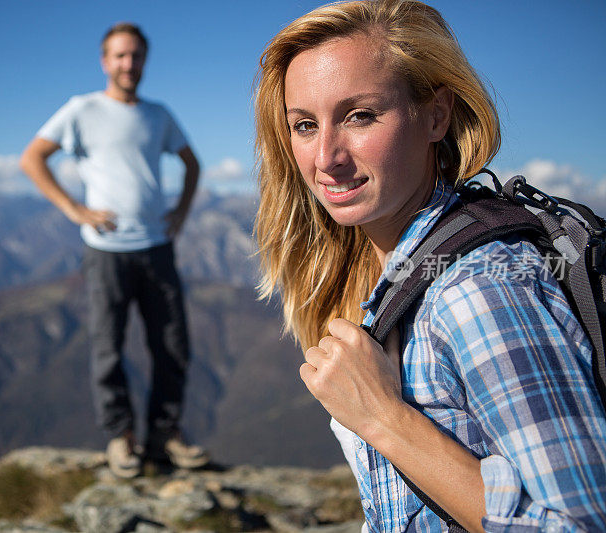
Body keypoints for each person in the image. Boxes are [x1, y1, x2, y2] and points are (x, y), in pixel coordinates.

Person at [253, 1, 606, 531]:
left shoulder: (477, 287)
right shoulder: (397, 273)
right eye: (304, 125)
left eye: (360, 115)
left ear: (436, 115)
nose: (325, 157)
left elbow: (582, 523)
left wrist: (385, 420)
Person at [20, 22, 208, 478]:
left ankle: (164, 436)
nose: (129, 64)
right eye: (120, 56)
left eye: (136, 56)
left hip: (157, 246)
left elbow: (192, 163)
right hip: (105, 250)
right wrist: (74, 209)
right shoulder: (80, 110)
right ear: (105, 62)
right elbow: (32, 158)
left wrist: (180, 213)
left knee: (172, 346)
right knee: (109, 345)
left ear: (144, 61)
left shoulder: (158, 115)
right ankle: (121, 437)